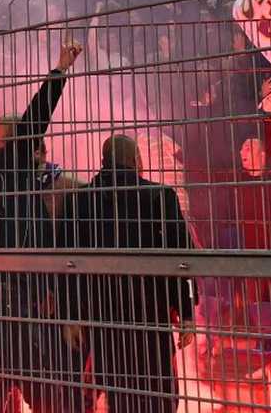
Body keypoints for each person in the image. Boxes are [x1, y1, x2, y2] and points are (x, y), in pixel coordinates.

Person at [0, 38, 84, 413]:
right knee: (25, 381)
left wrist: (59, 71)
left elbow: (35, 117)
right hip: (9, 296)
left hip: (9, 295)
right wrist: (60, 70)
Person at [60, 135, 196, 413]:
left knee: (119, 395)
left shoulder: (79, 202)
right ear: (137, 161)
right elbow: (182, 259)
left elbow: (67, 265)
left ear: (103, 162)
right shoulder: (160, 197)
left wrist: (71, 315)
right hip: (150, 317)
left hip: (104, 320)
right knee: (159, 396)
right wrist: (187, 313)